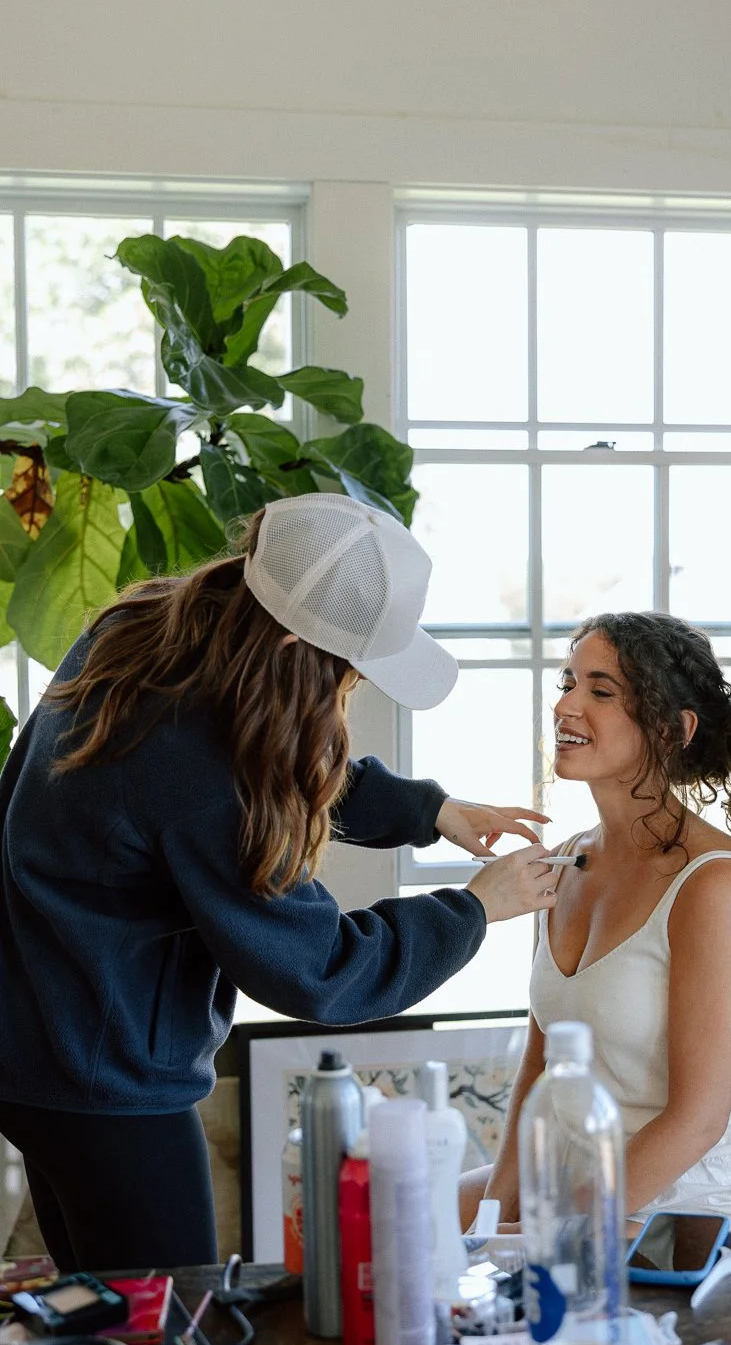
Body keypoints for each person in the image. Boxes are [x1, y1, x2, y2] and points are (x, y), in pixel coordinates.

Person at [0, 492, 556, 1272]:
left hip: (36, 1041)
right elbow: (323, 969)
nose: (353, 681)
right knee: (172, 1328)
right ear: (297, 640)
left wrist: (430, 811)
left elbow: (265, 750)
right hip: (102, 1077)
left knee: (112, 1329)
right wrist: (474, 909)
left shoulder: (153, 626)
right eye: (352, 665)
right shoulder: (199, 767)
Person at [463, 611, 731, 1234]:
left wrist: (552, 1233)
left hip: (692, 1202)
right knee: (394, 1225)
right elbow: (539, 1074)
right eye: (567, 683)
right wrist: (488, 1225)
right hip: (574, 1180)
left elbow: (696, 1122)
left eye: (601, 691)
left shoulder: (715, 884)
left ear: (673, 728)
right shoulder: (567, 863)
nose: (566, 707)